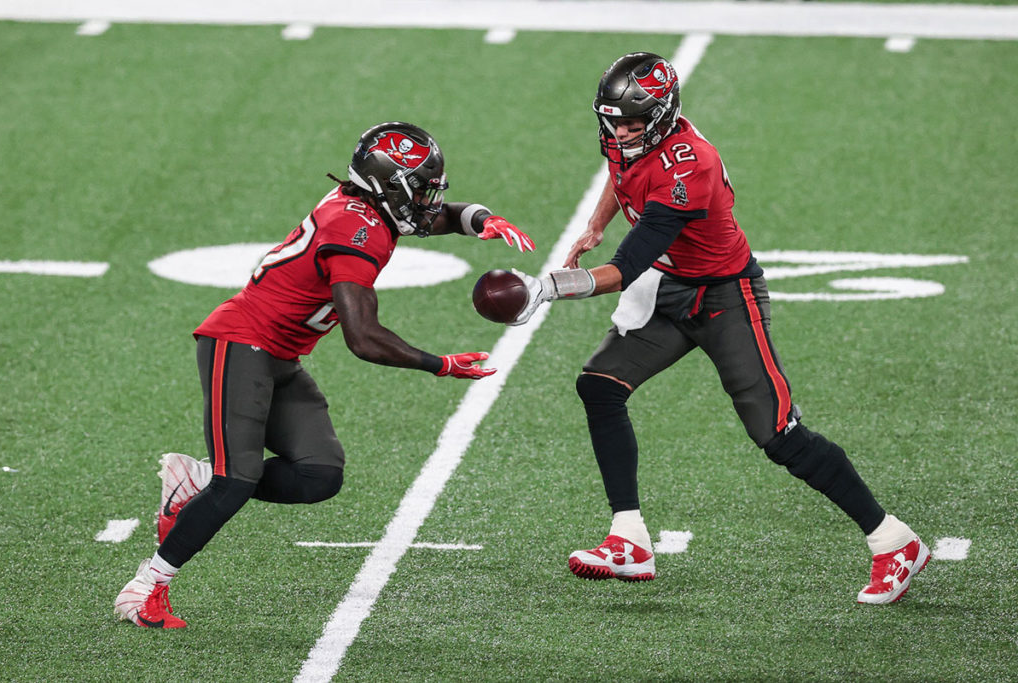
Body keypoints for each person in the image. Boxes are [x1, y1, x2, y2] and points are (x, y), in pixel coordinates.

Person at [509, 53, 928, 604]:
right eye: (614, 122)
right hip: (673, 287)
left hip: (726, 296)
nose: (620, 133)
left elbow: (626, 267)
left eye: (633, 125)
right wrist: (594, 224)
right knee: (601, 385)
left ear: (660, 119)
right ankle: (628, 538)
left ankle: (893, 540)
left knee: (778, 435)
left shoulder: (690, 167)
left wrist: (548, 288)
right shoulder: (627, 137)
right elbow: (621, 173)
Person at [114, 121, 536, 628]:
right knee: (237, 481)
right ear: (389, 185)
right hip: (239, 342)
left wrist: (479, 220)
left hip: (278, 355)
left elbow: (430, 217)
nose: (428, 199)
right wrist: (439, 364)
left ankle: (196, 480)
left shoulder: (366, 207)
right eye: (419, 187)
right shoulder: (355, 229)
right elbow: (363, 337)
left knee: (319, 475)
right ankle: (146, 587)